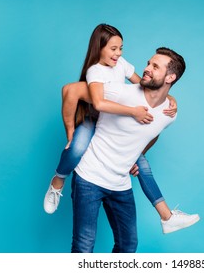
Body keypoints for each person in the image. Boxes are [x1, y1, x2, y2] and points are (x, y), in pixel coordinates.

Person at [44, 24, 199, 234]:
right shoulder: (98, 73)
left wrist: (167, 95)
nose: (118, 53)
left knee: (143, 167)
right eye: (113, 49)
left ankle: (167, 217)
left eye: (121, 48)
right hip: (95, 119)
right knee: (77, 148)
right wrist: (70, 133)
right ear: (99, 48)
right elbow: (83, 97)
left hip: (116, 123)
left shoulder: (123, 67)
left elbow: (143, 85)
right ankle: (58, 180)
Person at [72, 47, 197, 252]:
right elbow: (71, 91)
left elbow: (153, 132)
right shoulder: (120, 91)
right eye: (148, 63)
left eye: (155, 66)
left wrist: (138, 156)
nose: (146, 68)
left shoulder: (169, 113)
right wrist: (71, 132)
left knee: (128, 245)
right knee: (83, 247)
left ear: (170, 77)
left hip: (120, 184)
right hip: (89, 178)